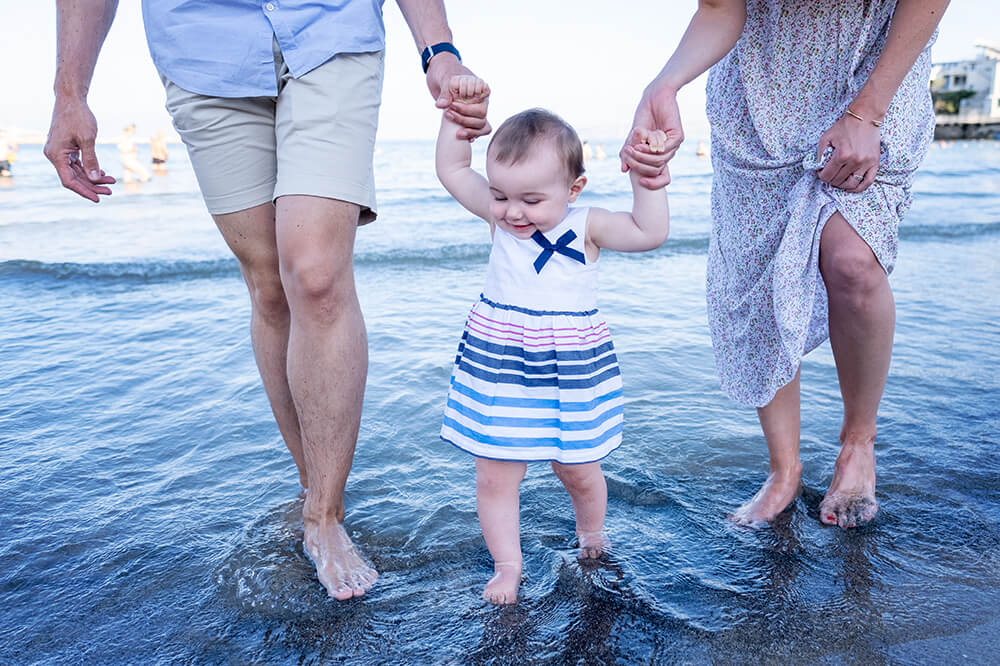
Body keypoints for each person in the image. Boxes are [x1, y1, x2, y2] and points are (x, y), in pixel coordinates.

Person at [44, 0, 491, 600]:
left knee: (316, 275)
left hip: (332, 30)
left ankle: (324, 517)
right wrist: (69, 90)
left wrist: (438, 50)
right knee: (270, 285)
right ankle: (315, 487)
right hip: (202, 49)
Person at [621, 0, 948, 528]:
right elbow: (720, 7)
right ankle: (783, 469)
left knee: (852, 262)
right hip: (762, 93)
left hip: (871, 66)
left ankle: (859, 444)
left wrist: (867, 112)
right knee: (760, 275)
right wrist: (665, 84)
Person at [436, 76, 670, 604]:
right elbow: (452, 169)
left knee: (578, 468)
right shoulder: (500, 221)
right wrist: (458, 117)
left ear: (574, 190)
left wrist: (648, 179)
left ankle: (592, 534)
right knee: (495, 474)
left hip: (569, 368)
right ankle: (507, 565)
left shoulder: (588, 225)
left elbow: (650, 232)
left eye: (531, 199)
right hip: (500, 364)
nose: (513, 212)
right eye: (500, 196)